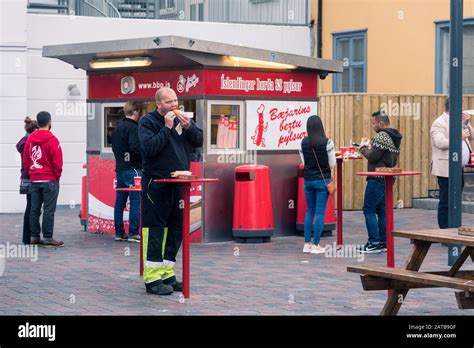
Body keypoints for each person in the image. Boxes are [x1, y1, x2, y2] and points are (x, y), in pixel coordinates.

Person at [138, 87, 203, 295]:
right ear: (158, 104)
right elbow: (149, 148)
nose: (174, 105)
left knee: (176, 229)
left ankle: (167, 273)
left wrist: (190, 127)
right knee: (155, 229)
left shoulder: (183, 120)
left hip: (179, 183)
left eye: (175, 100)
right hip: (156, 183)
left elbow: (199, 141)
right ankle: (152, 278)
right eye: (169, 102)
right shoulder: (147, 122)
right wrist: (166, 128)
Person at [358, 111, 402, 253]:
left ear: (381, 123)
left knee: (369, 210)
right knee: (382, 212)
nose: (373, 126)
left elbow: (373, 156)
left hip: (376, 179)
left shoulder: (382, 136)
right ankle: (384, 241)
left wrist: (363, 148)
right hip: (386, 179)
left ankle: (374, 242)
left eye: (374, 123)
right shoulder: (393, 136)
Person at [22, 111, 64, 247]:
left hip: (35, 179)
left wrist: (32, 172)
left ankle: (34, 236)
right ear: (50, 122)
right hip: (50, 180)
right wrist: (56, 176)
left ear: (37, 122)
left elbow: (26, 159)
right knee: (48, 210)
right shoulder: (53, 140)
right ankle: (47, 237)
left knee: (34, 209)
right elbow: (58, 162)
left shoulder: (30, 139)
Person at [430, 98, 472, 229]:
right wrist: (459, 136)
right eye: (460, 107)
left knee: (456, 199)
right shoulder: (439, 123)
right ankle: (444, 229)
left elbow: (472, 135)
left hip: (458, 167)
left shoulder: (458, 122)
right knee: (446, 200)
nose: (462, 110)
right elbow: (440, 143)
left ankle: (454, 227)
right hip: (445, 168)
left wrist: (466, 123)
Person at [300, 115, 336, 254]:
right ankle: (316, 245)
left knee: (309, 211)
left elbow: (304, 162)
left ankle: (306, 244)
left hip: (308, 180)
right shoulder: (328, 142)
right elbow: (332, 164)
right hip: (322, 180)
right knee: (320, 212)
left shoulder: (302, 142)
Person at [111, 101, 143, 242]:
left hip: (120, 169)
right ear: (135, 112)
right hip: (134, 169)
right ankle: (133, 233)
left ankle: (119, 232)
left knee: (120, 201)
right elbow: (135, 148)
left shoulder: (117, 128)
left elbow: (114, 148)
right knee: (135, 200)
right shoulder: (134, 128)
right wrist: (145, 156)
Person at [16, 117, 38, 245]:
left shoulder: (23, 142)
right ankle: (29, 236)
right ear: (34, 130)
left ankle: (27, 237)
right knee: (32, 207)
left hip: (25, 178)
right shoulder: (30, 143)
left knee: (30, 206)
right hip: (31, 177)